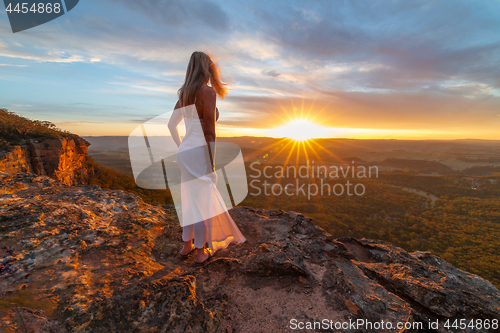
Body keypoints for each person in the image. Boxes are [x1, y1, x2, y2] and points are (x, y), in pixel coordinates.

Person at [168, 51, 246, 264]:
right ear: (205, 68)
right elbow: (210, 131)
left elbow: (171, 125)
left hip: (185, 151)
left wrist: (181, 146)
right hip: (199, 151)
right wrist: (211, 164)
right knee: (202, 200)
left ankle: (187, 245)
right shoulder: (207, 92)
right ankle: (201, 250)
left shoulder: (184, 93)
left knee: (189, 197)